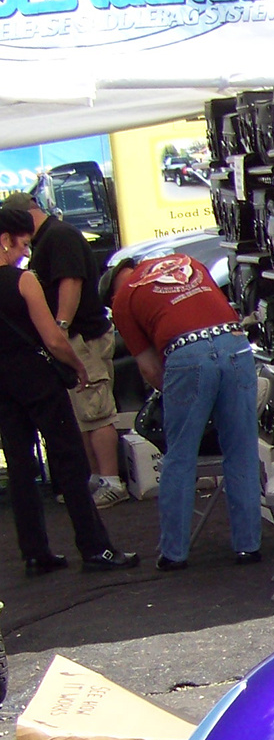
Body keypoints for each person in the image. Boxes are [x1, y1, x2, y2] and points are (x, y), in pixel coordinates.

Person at [0, 205, 137, 575]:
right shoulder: (23, 281)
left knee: (20, 469)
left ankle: (35, 552)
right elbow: (54, 338)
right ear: (5, 240)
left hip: (4, 387)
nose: (25, 251)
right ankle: (94, 547)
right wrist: (77, 366)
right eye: (22, 244)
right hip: (39, 382)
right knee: (69, 460)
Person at [107, 253, 261, 570]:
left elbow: (149, 368)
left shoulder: (123, 300)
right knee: (241, 450)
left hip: (186, 353)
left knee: (180, 456)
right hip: (235, 342)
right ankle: (248, 546)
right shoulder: (185, 260)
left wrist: (179, 395)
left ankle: (175, 553)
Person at [5, 191, 124, 507]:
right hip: (74, 336)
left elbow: (70, 282)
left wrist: (59, 327)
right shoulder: (51, 237)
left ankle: (111, 479)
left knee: (96, 408)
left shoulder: (58, 236)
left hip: (82, 336)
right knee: (83, 412)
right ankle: (97, 477)